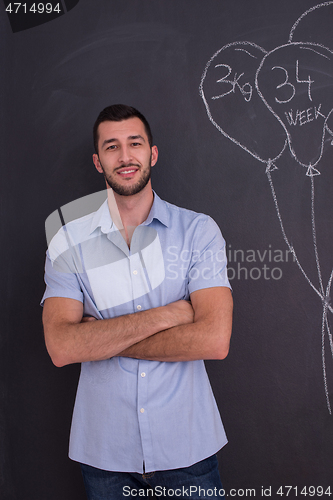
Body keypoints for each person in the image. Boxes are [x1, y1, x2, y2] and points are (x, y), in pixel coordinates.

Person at [41, 104, 233, 499]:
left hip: (187, 450)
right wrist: (171, 315)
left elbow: (213, 340)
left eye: (135, 143)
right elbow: (61, 347)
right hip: (105, 456)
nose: (125, 156)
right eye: (112, 147)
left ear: (152, 154)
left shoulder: (198, 231)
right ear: (98, 162)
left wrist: (100, 340)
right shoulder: (67, 240)